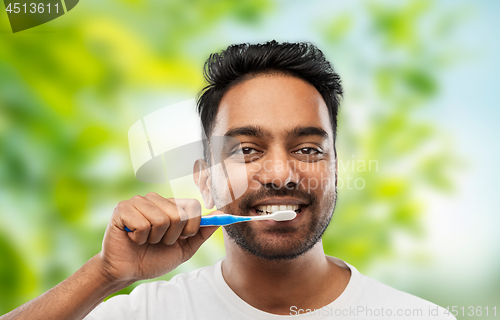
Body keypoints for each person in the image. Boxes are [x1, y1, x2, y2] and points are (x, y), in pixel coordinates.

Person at [1, 41, 455, 320]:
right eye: (246, 150)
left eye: (308, 150)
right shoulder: (144, 314)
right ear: (203, 178)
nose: (280, 173)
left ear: (335, 171)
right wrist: (103, 275)